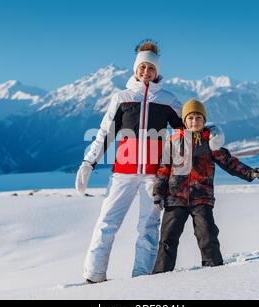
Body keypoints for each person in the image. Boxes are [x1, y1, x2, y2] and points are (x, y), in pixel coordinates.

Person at [75, 40, 184, 283]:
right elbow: (105, 133)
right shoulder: (122, 97)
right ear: (135, 68)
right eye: (142, 67)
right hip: (122, 172)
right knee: (106, 223)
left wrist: (210, 133)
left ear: (157, 72)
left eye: (151, 69)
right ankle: (94, 276)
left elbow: (186, 130)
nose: (146, 72)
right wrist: (88, 162)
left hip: (153, 175)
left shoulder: (168, 100)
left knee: (148, 228)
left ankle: (141, 278)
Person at [153, 99, 259, 273]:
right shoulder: (174, 141)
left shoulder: (211, 141)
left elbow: (229, 162)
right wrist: (158, 192)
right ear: (184, 120)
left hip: (201, 197)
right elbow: (163, 169)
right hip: (175, 197)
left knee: (207, 235)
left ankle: (214, 271)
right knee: (168, 239)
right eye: (190, 118)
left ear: (204, 120)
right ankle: (161, 275)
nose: (194, 121)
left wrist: (250, 173)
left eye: (198, 117)